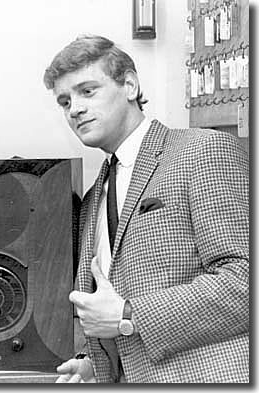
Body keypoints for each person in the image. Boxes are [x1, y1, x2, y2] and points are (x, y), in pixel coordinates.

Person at [44, 35, 248, 383]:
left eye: (87, 91)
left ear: (129, 84)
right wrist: (99, 363)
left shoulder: (202, 151)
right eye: (64, 101)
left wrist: (129, 314)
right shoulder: (96, 195)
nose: (74, 108)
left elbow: (245, 281)